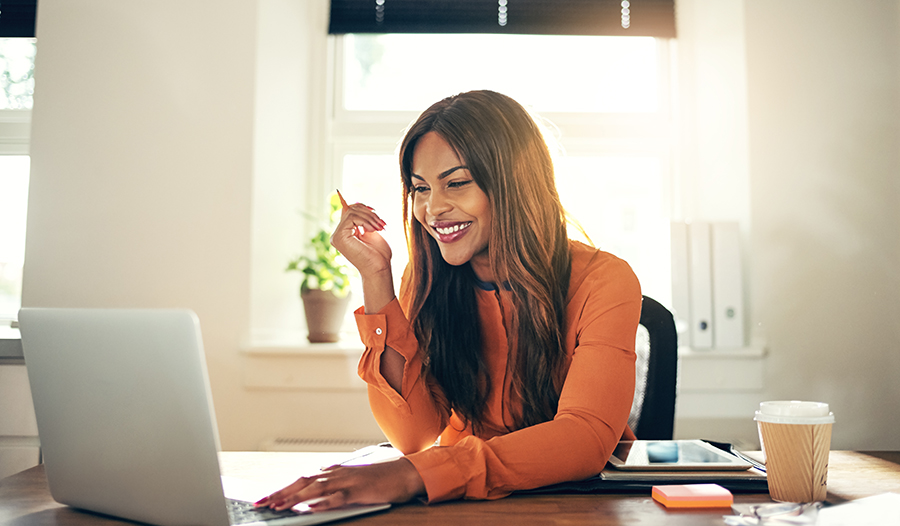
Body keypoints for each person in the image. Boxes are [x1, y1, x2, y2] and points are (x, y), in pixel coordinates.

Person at [256, 90, 641, 511]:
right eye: (420, 189)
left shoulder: (604, 280)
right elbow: (413, 435)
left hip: (574, 505)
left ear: (514, 183)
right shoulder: (425, 279)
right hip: (462, 503)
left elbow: (584, 437)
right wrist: (376, 277)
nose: (432, 208)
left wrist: (416, 475)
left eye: (456, 183)